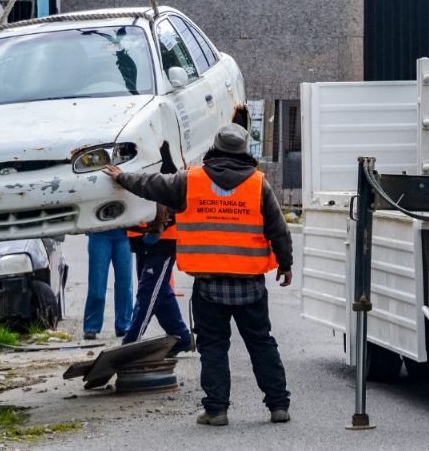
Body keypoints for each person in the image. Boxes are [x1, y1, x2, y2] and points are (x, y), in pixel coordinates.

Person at [104, 123, 292, 426]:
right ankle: (278, 406)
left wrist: (121, 176)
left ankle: (217, 410)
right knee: (261, 343)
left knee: (214, 346)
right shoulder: (259, 185)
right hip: (250, 285)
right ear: (245, 150)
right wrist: (286, 264)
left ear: (215, 147)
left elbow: (151, 184)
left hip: (209, 286)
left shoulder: (191, 181)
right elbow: (278, 230)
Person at [121, 141, 193, 356]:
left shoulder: (161, 152)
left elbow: (170, 188)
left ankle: (129, 345)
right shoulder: (130, 151)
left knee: (147, 294)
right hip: (140, 238)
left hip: (163, 240)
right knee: (160, 293)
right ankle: (182, 338)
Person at [83, 228, 133, 340]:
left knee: (124, 284)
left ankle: (124, 325)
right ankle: (91, 326)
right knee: (97, 285)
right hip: (99, 233)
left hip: (124, 233)